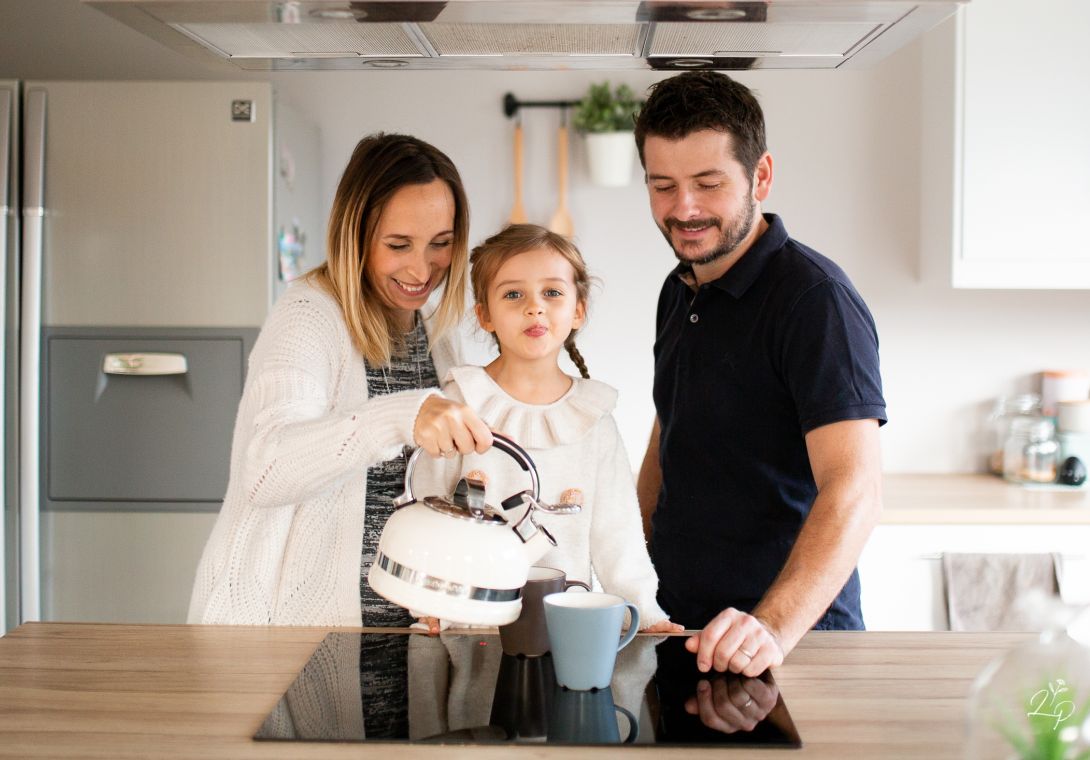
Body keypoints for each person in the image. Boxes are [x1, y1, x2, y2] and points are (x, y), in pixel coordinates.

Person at [632, 72, 887, 678]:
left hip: (785, 647)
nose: (683, 208)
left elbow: (855, 489)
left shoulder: (814, 301)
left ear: (761, 176)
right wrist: (624, 570)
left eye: (708, 184)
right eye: (662, 186)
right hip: (681, 631)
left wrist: (770, 628)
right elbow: (667, 439)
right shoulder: (681, 287)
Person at [188, 132, 493, 629]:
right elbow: (266, 468)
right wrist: (402, 416)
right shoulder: (309, 316)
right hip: (287, 640)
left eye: (441, 243)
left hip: (403, 643)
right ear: (355, 237)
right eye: (399, 245)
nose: (422, 268)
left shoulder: (437, 331)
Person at [420, 223, 683, 633]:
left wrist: (644, 613)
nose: (534, 307)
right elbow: (429, 506)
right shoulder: (459, 401)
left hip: (567, 632)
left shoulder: (594, 419)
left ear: (577, 309)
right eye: (513, 294)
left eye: (552, 293)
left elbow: (618, 535)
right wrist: (430, 598)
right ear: (484, 315)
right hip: (469, 626)